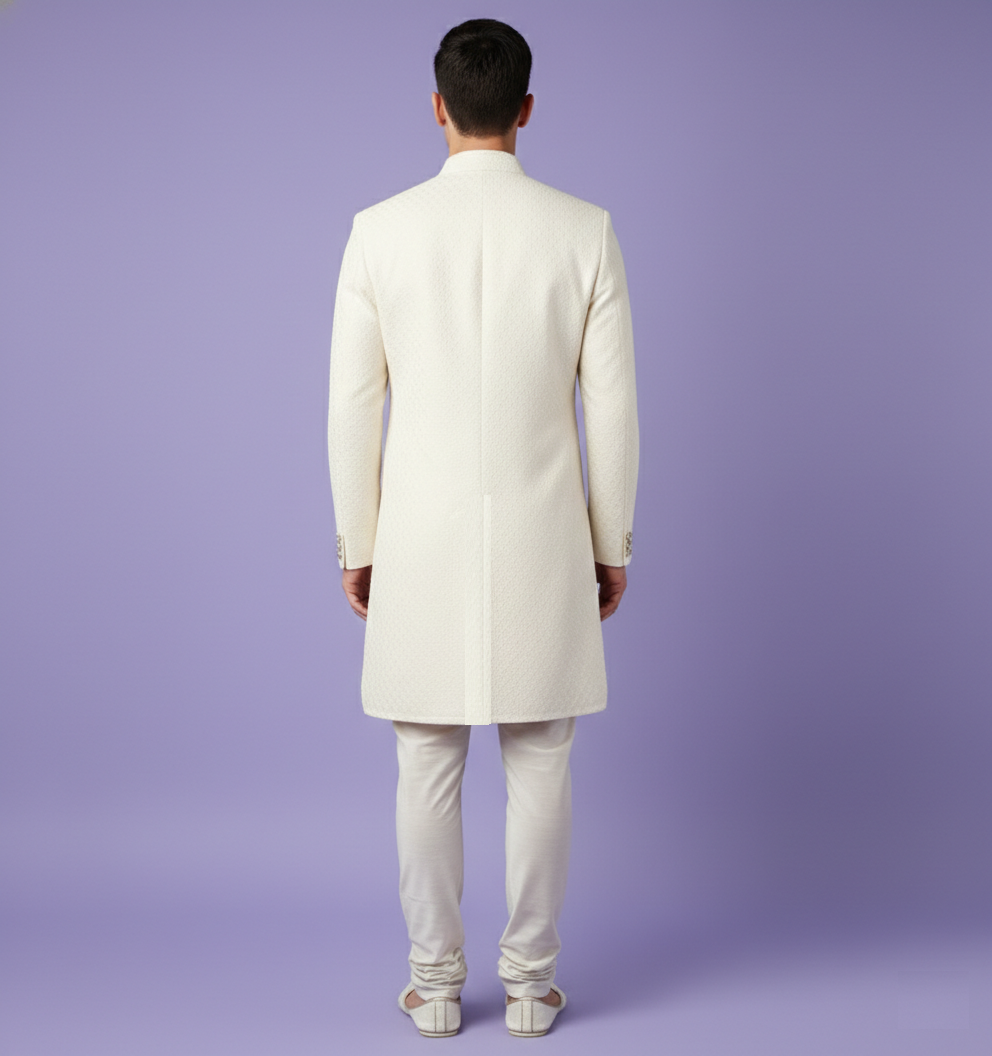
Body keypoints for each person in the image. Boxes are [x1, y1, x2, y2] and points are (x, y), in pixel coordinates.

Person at [327, 18, 638, 1038]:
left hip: (417, 544)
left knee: (425, 766)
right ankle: (531, 987)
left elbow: (351, 406)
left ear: (437, 108)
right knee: (541, 766)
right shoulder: (583, 230)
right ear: (526, 110)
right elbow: (613, 409)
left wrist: (359, 543)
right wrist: (611, 543)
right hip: (545, 541)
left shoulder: (378, 231)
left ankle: (432, 986)